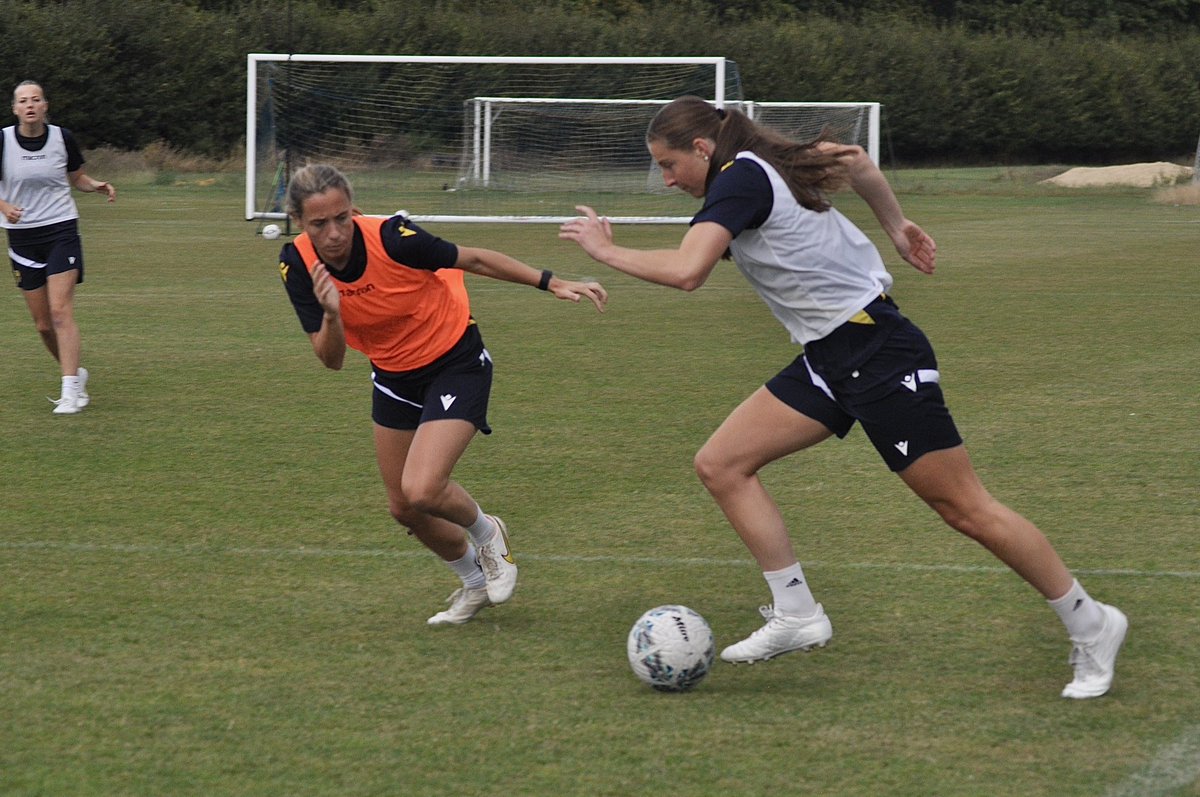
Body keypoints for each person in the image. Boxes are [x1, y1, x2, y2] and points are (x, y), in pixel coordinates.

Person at [559, 96, 1126, 699]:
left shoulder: (740, 178)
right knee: (722, 464)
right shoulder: (757, 164)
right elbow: (856, 161)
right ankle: (798, 614)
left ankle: (1092, 624)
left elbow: (686, 271)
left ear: (702, 148)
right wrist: (897, 227)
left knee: (965, 509)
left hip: (878, 354)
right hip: (831, 357)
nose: (667, 181)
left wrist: (604, 252)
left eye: (670, 166)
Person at [279, 163, 607, 626]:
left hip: (455, 361)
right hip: (394, 375)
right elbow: (330, 359)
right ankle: (474, 583)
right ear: (299, 223)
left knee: (423, 487)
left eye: (342, 218)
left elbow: (471, 259)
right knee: (404, 507)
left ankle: (489, 533)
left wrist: (550, 281)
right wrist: (332, 314)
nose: (334, 233)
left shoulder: (394, 237)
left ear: (354, 211)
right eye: (319, 224)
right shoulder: (296, 264)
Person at [1, 80, 116, 415]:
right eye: (23, 101)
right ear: (15, 108)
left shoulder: (62, 138)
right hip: (22, 238)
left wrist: (95, 185)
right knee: (42, 324)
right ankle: (76, 373)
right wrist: (4, 206)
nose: (30, 105)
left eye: (36, 99)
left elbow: (76, 176)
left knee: (60, 311)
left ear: (45, 105)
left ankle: (70, 392)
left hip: (61, 230)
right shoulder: (3, 141)